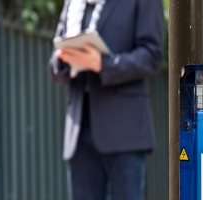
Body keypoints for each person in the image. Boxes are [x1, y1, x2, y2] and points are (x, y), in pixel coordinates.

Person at [49, 0, 165, 199]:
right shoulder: (73, 2)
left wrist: (103, 65)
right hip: (79, 129)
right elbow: (54, 64)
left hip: (125, 129)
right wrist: (63, 58)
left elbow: (152, 56)